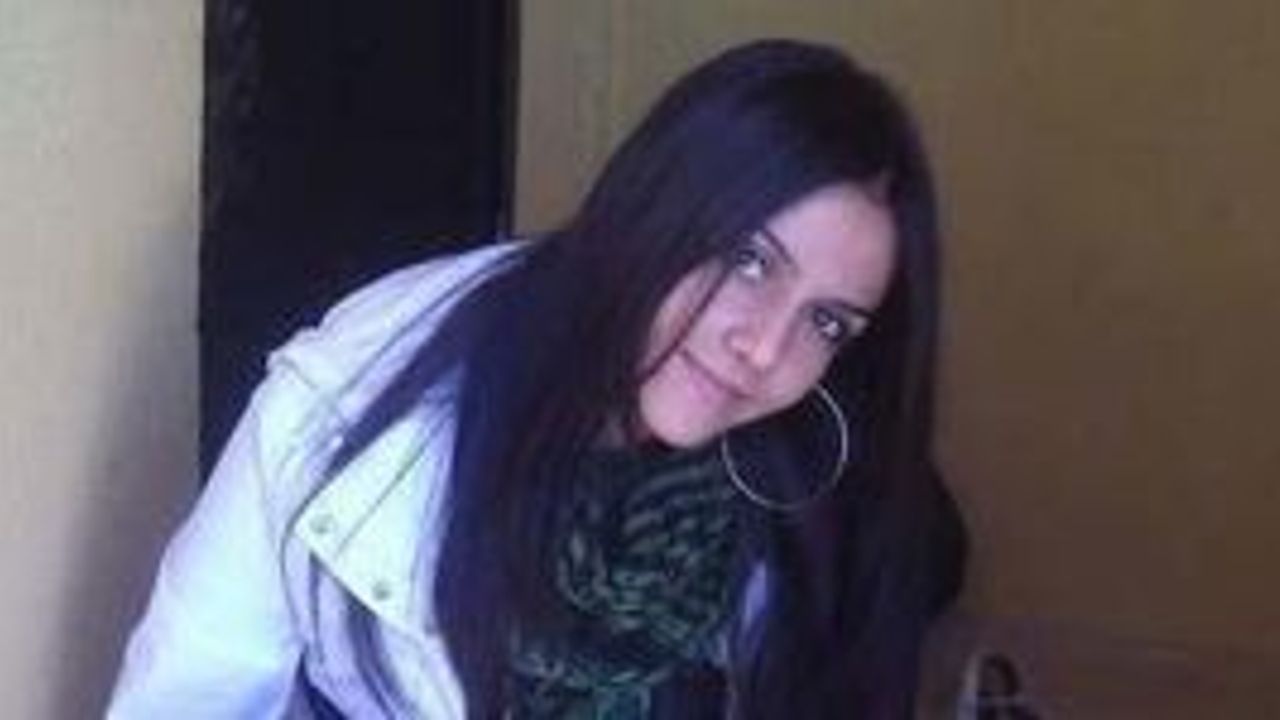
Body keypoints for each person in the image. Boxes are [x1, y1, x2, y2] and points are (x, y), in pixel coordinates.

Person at [108, 39, 965, 719]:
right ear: (658, 205)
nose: (766, 348)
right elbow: (188, 699)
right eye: (750, 260)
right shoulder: (345, 403)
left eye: (827, 322)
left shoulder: (816, 483)